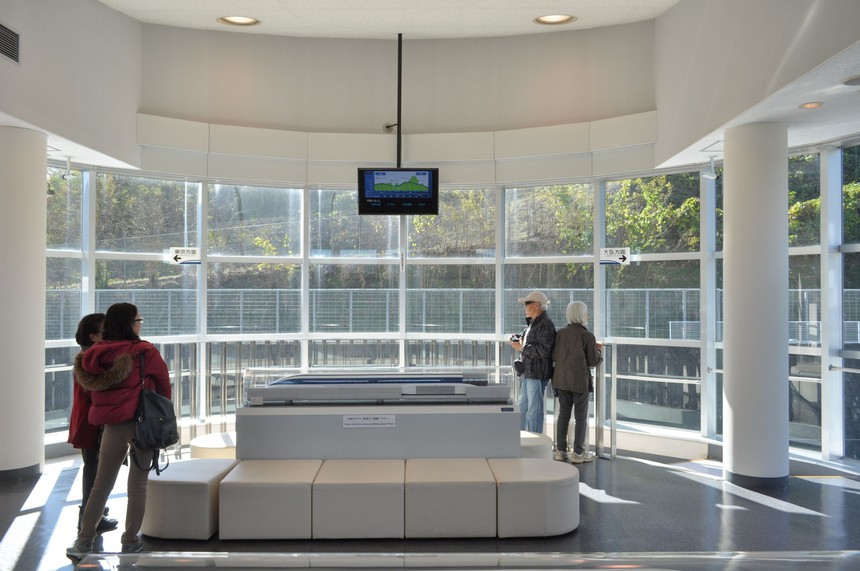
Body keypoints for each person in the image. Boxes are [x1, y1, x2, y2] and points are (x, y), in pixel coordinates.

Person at [66, 303, 171, 560]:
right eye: (138, 319)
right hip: (143, 423)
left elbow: (93, 391)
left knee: (101, 485)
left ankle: (83, 541)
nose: (140, 323)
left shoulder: (93, 354)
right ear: (129, 323)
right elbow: (164, 386)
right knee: (138, 485)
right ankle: (130, 540)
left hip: (111, 426)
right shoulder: (144, 351)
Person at [67, 313, 119, 534]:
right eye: (104, 332)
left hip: (87, 422)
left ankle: (94, 515)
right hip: (92, 424)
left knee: (94, 470)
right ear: (93, 336)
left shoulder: (86, 356)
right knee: (95, 472)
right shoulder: (91, 360)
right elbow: (96, 392)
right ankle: (88, 520)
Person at [551, 300, 603, 463]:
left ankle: (560, 451)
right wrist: (598, 351)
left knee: (563, 415)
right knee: (581, 417)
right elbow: (593, 361)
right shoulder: (587, 336)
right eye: (586, 313)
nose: (587, 316)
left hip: (561, 380)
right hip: (579, 381)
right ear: (581, 315)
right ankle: (578, 453)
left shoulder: (560, 334)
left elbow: (554, 356)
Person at [509, 291, 556, 433]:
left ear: (536, 305)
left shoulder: (546, 324)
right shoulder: (534, 324)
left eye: (527, 304)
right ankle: (519, 440)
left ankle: (535, 444)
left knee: (533, 412)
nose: (525, 307)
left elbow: (544, 350)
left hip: (536, 374)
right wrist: (517, 338)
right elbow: (531, 341)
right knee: (522, 409)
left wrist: (522, 348)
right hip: (529, 373)